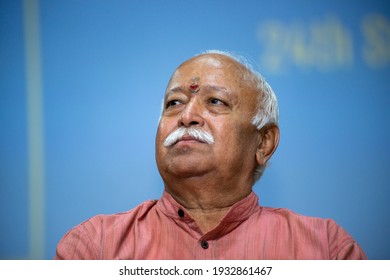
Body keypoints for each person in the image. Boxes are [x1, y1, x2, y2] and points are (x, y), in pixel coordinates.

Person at [55, 50, 367, 259]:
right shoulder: (95, 248)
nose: (187, 115)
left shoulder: (325, 249)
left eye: (215, 102)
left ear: (264, 143)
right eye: (174, 103)